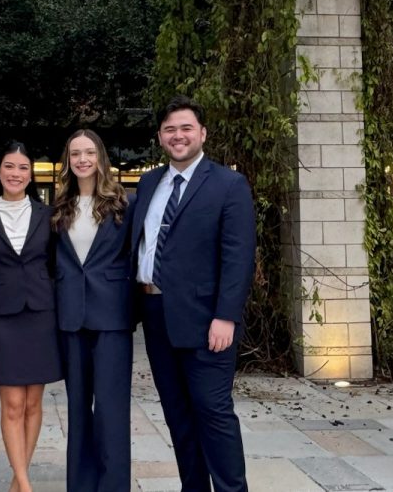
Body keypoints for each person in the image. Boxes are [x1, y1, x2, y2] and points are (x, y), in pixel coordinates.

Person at [131, 96, 256, 492]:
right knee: (178, 416)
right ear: (160, 137)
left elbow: (238, 256)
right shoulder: (150, 182)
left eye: (186, 128)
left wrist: (227, 316)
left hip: (207, 322)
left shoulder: (228, 184)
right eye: (170, 129)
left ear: (202, 133)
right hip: (156, 314)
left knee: (214, 414)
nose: (178, 135)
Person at [0, 141, 62, 492]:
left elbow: (53, 263)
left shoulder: (47, 214)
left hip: (40, 314)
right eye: (9, 166)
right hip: (3, 316)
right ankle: (24, 484)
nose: (15, 174)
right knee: (12, 404)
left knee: (34, 402)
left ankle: (18, 478)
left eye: (23, 168)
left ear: (30, 174)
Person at [51, 129, 135, 492]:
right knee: (78, 409)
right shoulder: (59, 207)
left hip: (113, 316)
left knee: (112, 412)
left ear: (101, 157)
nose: (82, 159)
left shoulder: (124, 205)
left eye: (89, 152)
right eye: (75, 154)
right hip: (71, 316)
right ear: (68, 161)